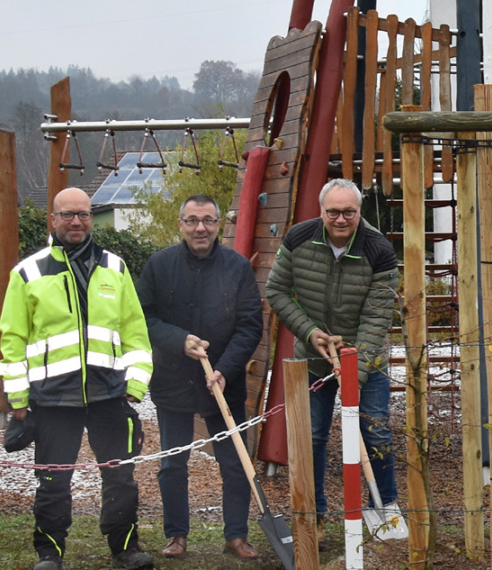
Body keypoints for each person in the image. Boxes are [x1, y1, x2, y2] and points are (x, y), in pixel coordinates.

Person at [0, 187, 155, 570]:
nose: (76, 221)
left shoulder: (114, 268)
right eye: (67, 214)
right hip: (53, 399)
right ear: (52, 219)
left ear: (91, 217)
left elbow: (136, 331)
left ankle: (126, 549)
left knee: (121, 479)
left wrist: (135, 386)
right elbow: (13, 339)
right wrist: (18, 399)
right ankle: (49, 554)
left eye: (83, 214)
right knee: (53, 482)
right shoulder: (28, 272)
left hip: (110, 395)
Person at [264, 178, 399, 540]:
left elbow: (377, 318)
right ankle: (314, 517)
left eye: (349, 212)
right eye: (333, 212)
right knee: (311, 437)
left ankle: (385, 508)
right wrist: (311, 333)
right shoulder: (298, 238)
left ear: (360, 211)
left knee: (375, 430)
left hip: (365, 357)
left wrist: (354, 368)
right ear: (321, 211)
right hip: (312, 357)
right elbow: (276, 290)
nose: (341, 219)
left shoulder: (379, 251)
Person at [136, 194, 263, 561]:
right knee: (173, 463)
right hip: (173, 380)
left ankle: (236, 536)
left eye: (207, 220)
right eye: (192, 220)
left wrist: (226, 367)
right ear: (181, 225)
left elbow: (250, 325)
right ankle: (176, 535)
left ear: (218, 224)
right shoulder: (159, 266)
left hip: (223, 381)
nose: (200, 228)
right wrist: (179, 341)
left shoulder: (237, 268)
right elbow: (143, 318)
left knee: (234, 461)